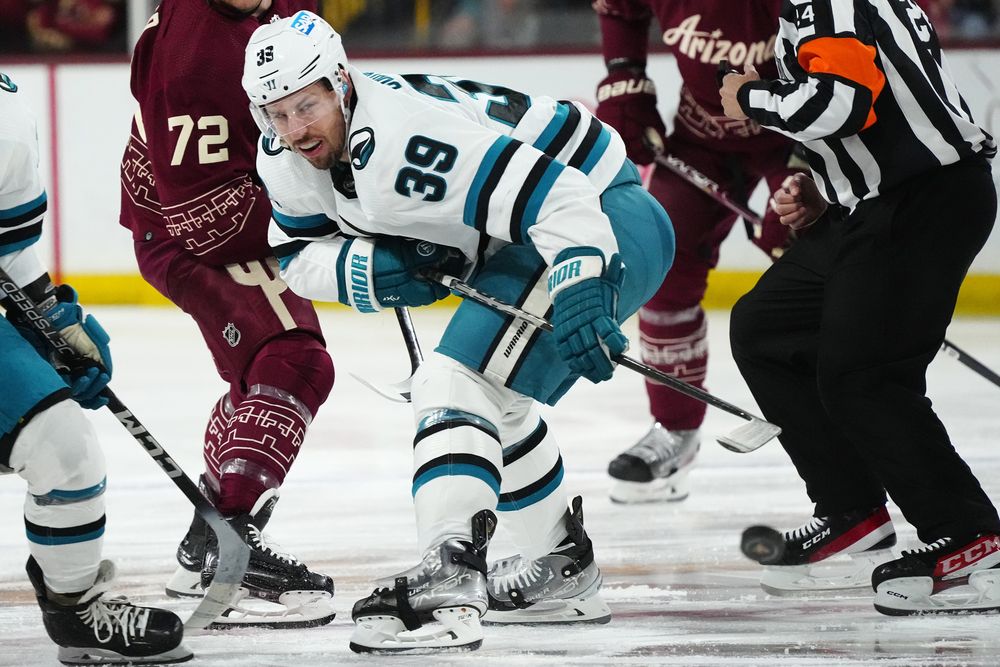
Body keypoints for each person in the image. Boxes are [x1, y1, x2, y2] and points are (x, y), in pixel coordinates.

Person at [239, 10, 674, 652]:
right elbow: (297, 254)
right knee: (496, 400)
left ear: (340, 83)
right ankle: (559, 567)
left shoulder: (403, 142)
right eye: (276, 113)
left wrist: (584, 287)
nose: (294, 129)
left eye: (307, 106)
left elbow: (559, 196)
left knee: (454, 381)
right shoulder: (286, 154)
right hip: (538, 232)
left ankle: (450, 577)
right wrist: (372, 269)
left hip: (605, 215)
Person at [720, 0, 1000, 613]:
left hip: (921, 202)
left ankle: (972, 537)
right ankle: (853, 511)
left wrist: (752, 97)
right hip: (873, 204)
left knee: (864, 376)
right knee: (768, 328)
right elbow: (884, 104)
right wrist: (829, 186)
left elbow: (842, 103)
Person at [118, 0, 335, 627]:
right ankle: (231, 556)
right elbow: (207, 222)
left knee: (262, 375)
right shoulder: (195, 59)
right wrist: (340, 218)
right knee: (291, 360)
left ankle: (204, 543)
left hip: (232, 197)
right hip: (189, 225)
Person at [1, 71, 192, 665]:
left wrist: (51, 320)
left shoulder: (4, 117)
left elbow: (9, 246)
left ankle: (76, 607)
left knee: (65, 448)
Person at [592, 0, 803, 504]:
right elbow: (621, 9)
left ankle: (853, 435)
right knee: (663, 262)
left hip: (803, 132)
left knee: (816, 268)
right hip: (702, 133)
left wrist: (810, 173)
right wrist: (626, 80)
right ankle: (675, 430)